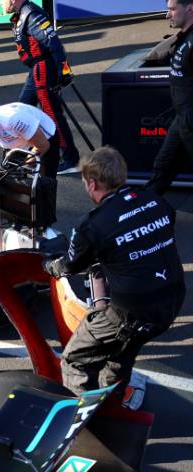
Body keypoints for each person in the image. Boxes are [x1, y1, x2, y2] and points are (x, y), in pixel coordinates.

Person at [44, 147, 186, 395]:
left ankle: (82, 425)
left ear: (92, 183)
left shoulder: (93, 225)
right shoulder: (156, 201)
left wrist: (48, 265)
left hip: (132, 312)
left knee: (76, 359)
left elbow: (70, 265)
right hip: (172, 301)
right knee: (121, 353)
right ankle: (112, 403)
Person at [5, 0, 79, 173]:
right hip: (35, 69)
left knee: (52, 113)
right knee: (22, 109)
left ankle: (70, 159)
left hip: (44, 68)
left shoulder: (31, 13)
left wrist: (64, 70)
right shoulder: (21, 14)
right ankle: (25, 153)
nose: (1, 3)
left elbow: (53, 41)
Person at [148, 0, 193, 195]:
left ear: (190, 9)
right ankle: (144, 213)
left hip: (191, 118)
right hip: (182, 117)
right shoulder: (184, 36)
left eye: (173, 9)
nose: (168, 15)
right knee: (162, 166)